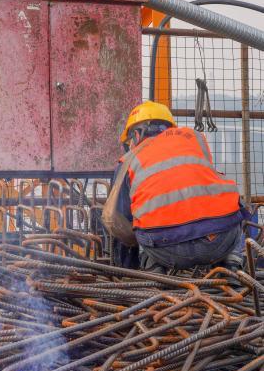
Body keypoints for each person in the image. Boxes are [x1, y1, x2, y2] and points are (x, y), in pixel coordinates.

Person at [102, 101, 245, 274]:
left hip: (165, 249)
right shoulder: (195, 140)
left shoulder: (128, 161)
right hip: (219, 241)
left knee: (138, 221)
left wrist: (126, 269)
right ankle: (231, 265)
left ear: (137, 134)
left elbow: (121, 221)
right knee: (234, 207)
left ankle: (153, 267)